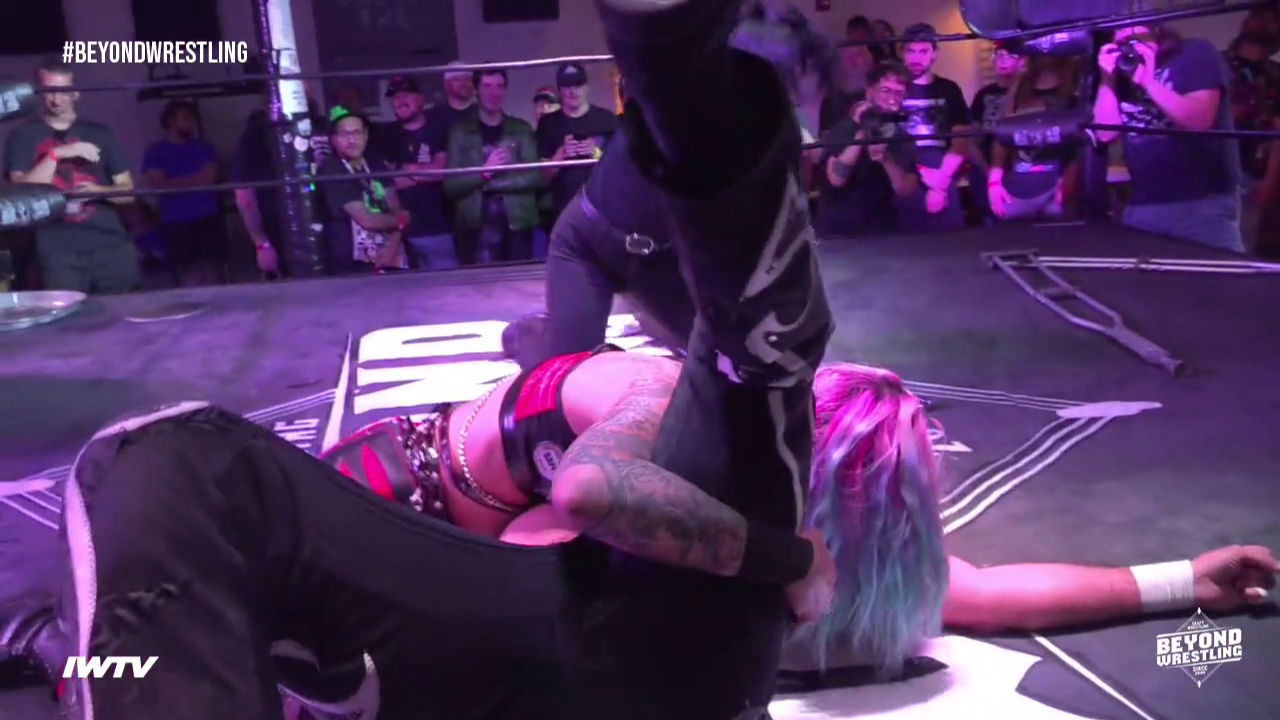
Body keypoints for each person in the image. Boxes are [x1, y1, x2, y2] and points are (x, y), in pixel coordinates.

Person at [1092, 24, 1243, 252]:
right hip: (1145, 202)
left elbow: (1199, 120)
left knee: (1220, 272)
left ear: (1157, 30)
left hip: (1202, 201)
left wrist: (1149, 83)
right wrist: (1107, 81)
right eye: (1122, 43)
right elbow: (1105, 133)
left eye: (1138, 40)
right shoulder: (1120, 71)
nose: (1131, 49)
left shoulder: (1194, 53)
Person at [2, 57, 139, 294]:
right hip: (56, 251)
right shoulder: (22, 135)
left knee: (126, 310)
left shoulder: (100, 133)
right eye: (49, 91)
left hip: (109, 244)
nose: (56, 99)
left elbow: (128, 193)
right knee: (68, 316)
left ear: (76, 92)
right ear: (39, 92)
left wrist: (97, 192)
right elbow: (21, 195)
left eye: (63, 91)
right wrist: (58, 154)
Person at [817, 60, 919, 237]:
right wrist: (863, 133)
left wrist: (885, 159)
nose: (892, 100)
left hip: (880, 228)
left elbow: (907, 190)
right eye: (885, 91)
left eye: (899, 94)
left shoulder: (902, 137)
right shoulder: (844, 127)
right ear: (870, 92)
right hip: (837, 229)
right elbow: (836, 179)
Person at [141, 99, 225, 286]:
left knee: (213, 271)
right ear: (171, 121)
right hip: (176, 221)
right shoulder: (156, 152)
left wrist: (174, 183)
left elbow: (208, 179)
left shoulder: (204, 148)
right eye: (185, 118)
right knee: (187, 274)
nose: (190, 123)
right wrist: (194, 180)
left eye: (192, 119)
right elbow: (158, 185)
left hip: (207, 217)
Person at [317, 105, 409, 273]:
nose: (352, 140)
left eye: (357, 133)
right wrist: (401, 220)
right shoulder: (331, 168)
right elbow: (367, 220)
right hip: (352, 263)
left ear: (366, 135)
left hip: (389, 254)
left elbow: (396, 207)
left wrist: (392, 247)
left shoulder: (375, 162)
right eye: (344, 134)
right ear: (333, 139)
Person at [987, 57, 1082, 220]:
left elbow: (1079, 144)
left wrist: (1069, 180)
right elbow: (1004, 133)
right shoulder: (1020, 87)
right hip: (1019, 187)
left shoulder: (1073, 89)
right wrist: (994, 179)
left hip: (1056, 186)